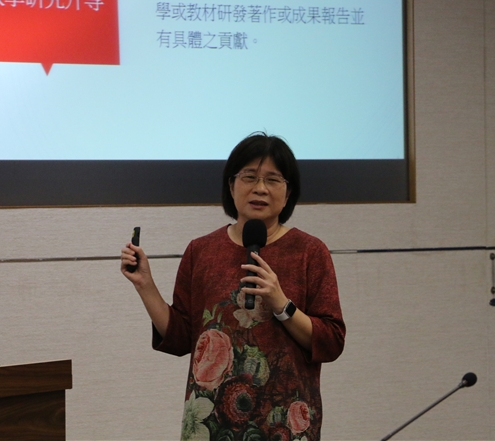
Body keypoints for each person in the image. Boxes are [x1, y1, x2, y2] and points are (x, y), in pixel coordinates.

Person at [121, 132, 345, 441]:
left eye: (273, 180)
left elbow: (331, 341)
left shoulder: (309, 251)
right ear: (231, 185)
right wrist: (145, 286)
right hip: (212, 425)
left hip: (282, 425)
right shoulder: (201, 250)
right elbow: (181, 338)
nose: (260, 188)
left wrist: (282, 304)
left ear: (288, 192)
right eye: (249, 177)